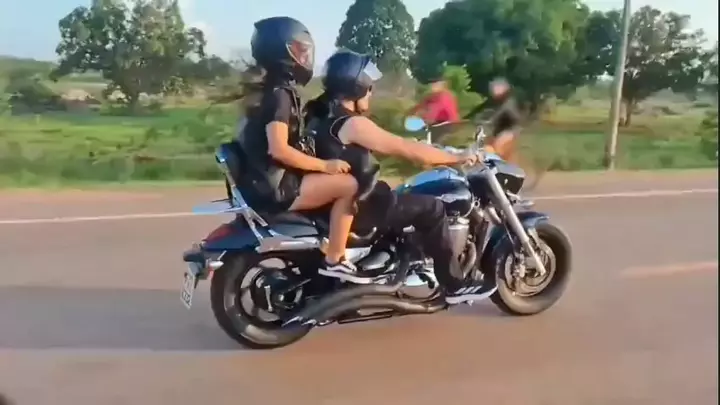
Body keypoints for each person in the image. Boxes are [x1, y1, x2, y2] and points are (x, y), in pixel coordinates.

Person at [305, 49, 490, 304]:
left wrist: (417, 146)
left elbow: (396, 145)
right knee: (433, 208)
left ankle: (397, 260)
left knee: (402, 200)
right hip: (362, 206)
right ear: (356, 87)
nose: (371, 93)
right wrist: (457, 156)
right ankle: (454, 285)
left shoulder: (319, 117)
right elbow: (407, 149)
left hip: (332, 204)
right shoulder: (352, 124)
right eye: (369, 88)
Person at [235, 16, 359, 279]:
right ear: (283, 52)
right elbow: (278, 149)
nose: (305, 57)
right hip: (274, 187)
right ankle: (336, 259)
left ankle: (321, 244)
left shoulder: (267, 90)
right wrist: (326, 165)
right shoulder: (280, 96)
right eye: (300, 50)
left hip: (259, 181)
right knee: (349, 185)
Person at [463, 77, 523, 162]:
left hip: (510, 129)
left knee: (496, 147)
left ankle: (499, 163)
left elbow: (500, 112)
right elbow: (481, 107)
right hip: (499, 128)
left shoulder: (508, 101)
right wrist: (467, 117)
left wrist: (490, 121)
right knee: (484, 145)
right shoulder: (495, 100)